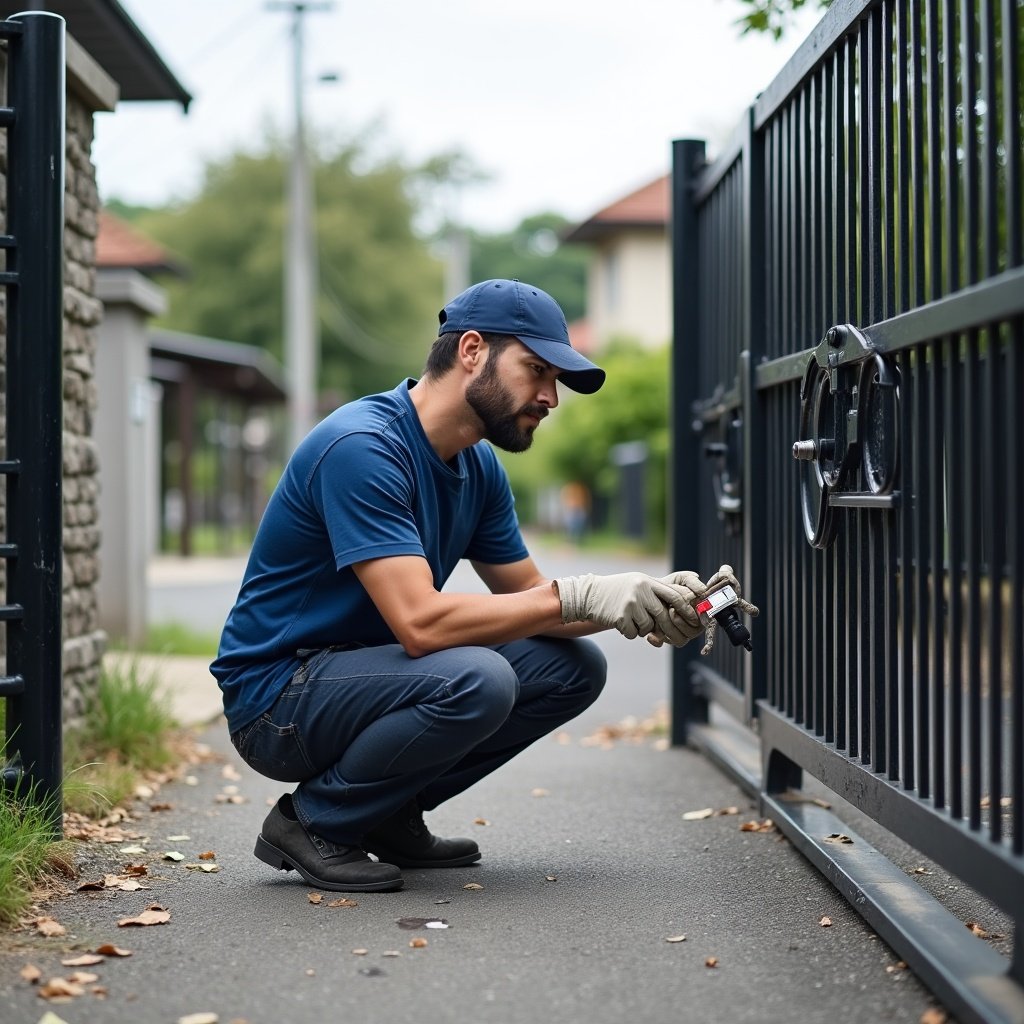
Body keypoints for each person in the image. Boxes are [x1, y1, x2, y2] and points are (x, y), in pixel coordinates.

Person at [211, 279, 757, 893]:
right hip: (278, 697)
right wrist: (579, 596)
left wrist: (640, 600)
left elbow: (533, 601)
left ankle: (384, 815)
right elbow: (421, 625)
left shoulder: (478, 465)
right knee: (479, 678)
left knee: (571, 667)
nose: (550, 397)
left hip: (360, 677)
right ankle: (311, 822)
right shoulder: (363, 446)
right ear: (472, 350)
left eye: (556, 381)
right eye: (536, 371)